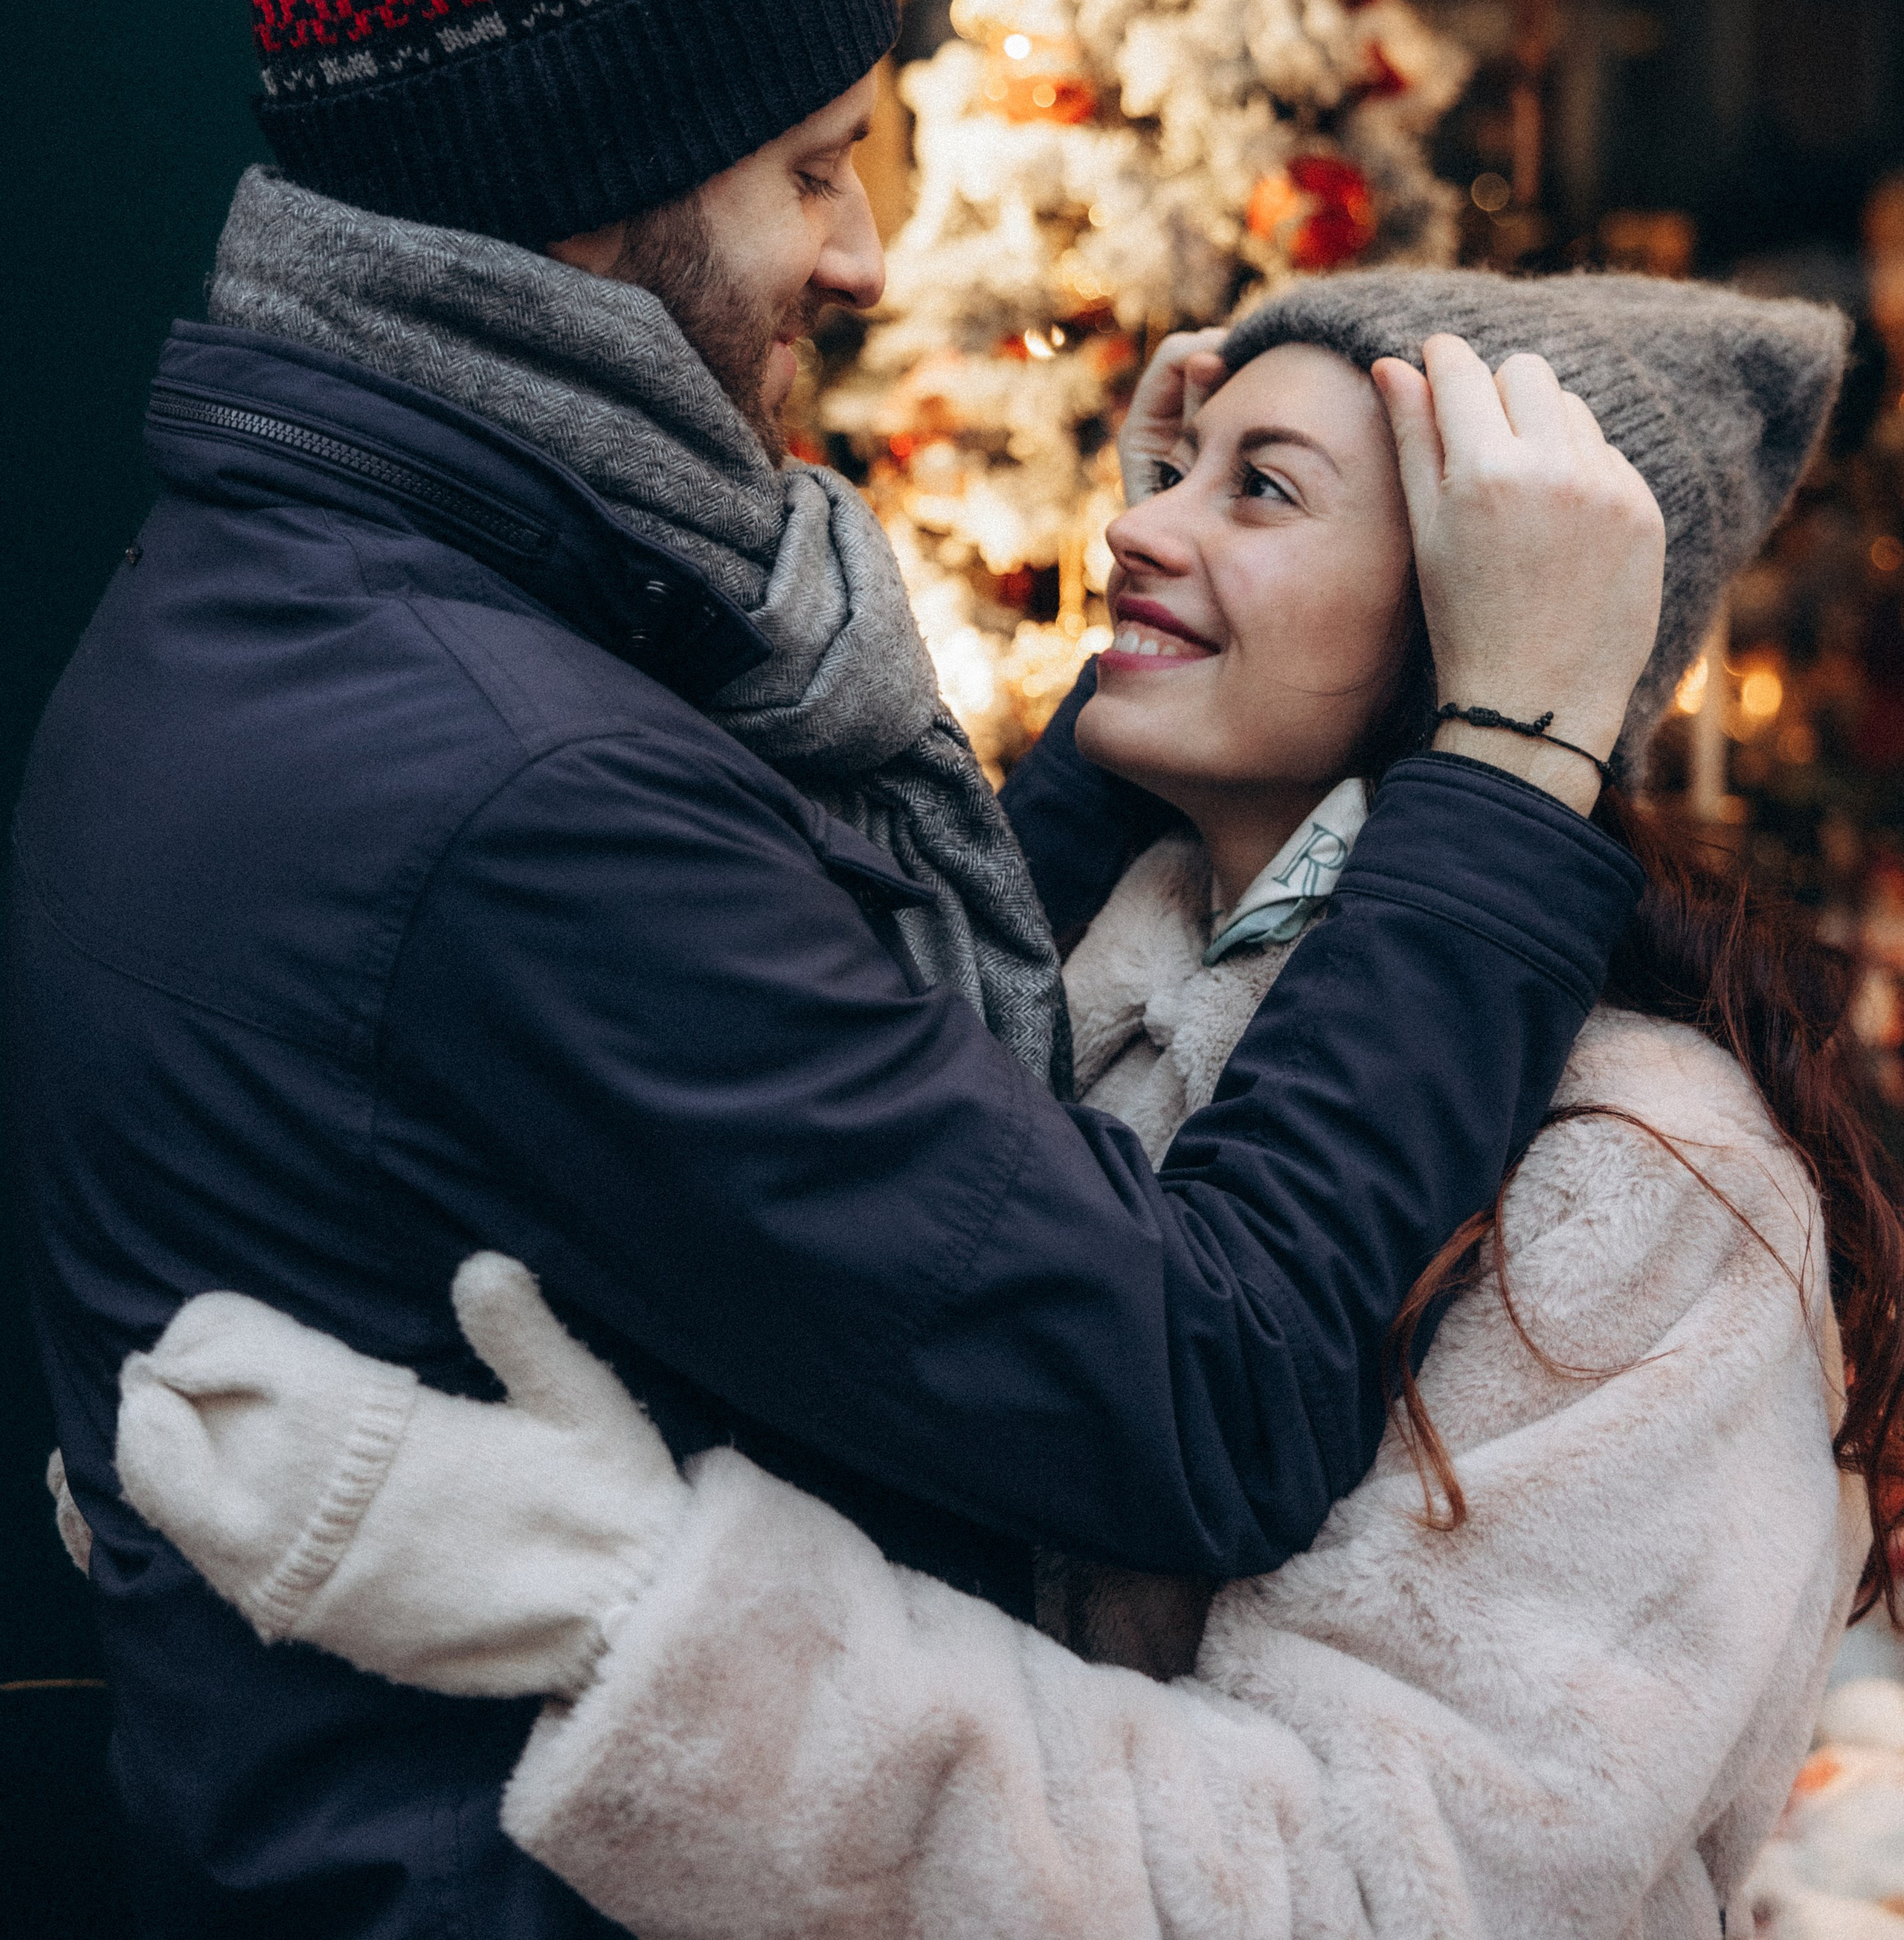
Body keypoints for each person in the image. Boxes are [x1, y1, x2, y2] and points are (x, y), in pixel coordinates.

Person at [7, 0, 1661, 1935]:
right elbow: (1198, 1389)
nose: (874, 253)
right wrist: (1513, 757)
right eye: (814, 169)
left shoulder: (307, 591)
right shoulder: (519, 784)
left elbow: (770, 1070)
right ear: (589, 200)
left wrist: (1175, 714)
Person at [111, 267, 1898, 1940]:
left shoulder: (1637, 1179)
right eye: (1171, 464)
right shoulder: (1101, 987)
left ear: (1476, 614)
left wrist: (643, 1617)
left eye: (1258, 491)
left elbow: (1364, 1889)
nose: (1135, 521)